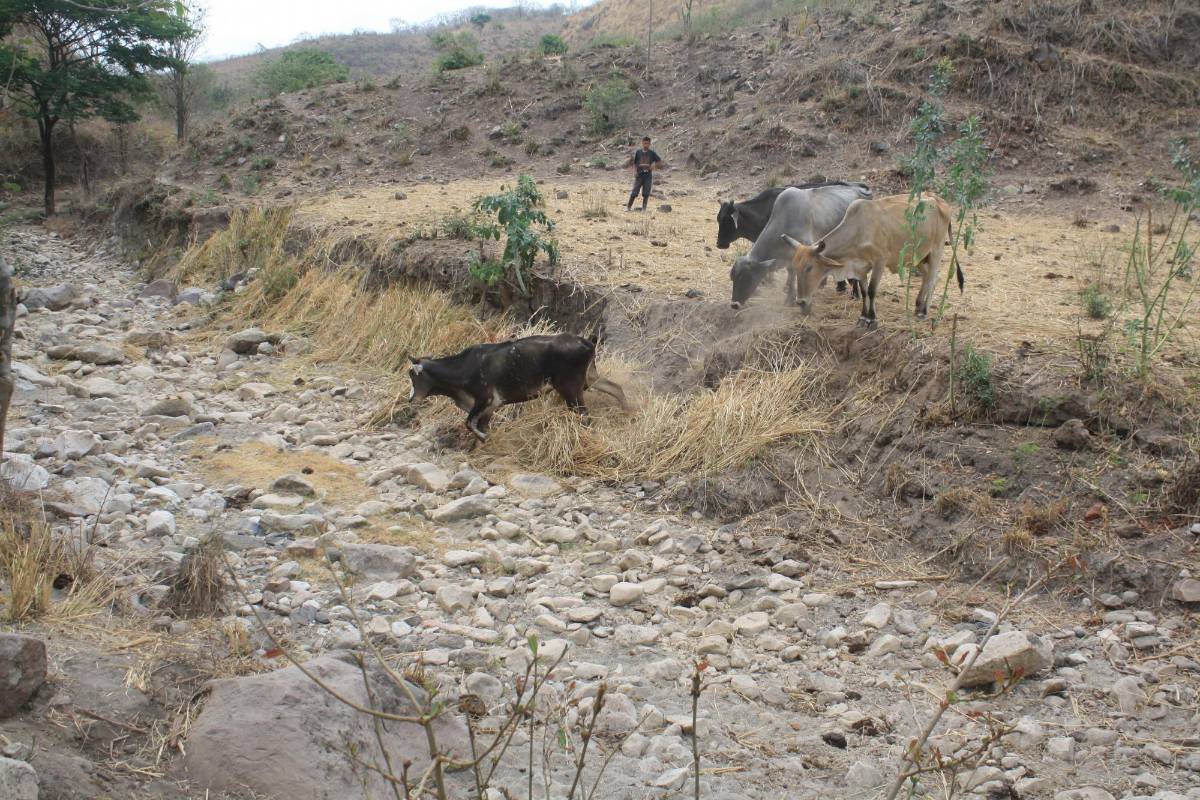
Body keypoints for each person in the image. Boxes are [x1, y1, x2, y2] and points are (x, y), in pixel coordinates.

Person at [626, 136, 662, 211]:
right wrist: (635, 172)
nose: (646, 145)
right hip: (639, 174)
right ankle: (628, 207)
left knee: (646, 192)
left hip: (648, 175)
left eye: (647, 143)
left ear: (650, 144)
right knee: (634, 191)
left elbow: (659, 161)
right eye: (645, 143)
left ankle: (644, 209)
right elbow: (635, 163)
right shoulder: (638, 152)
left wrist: (654, 165)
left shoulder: (652, 153)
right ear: (642, 143)